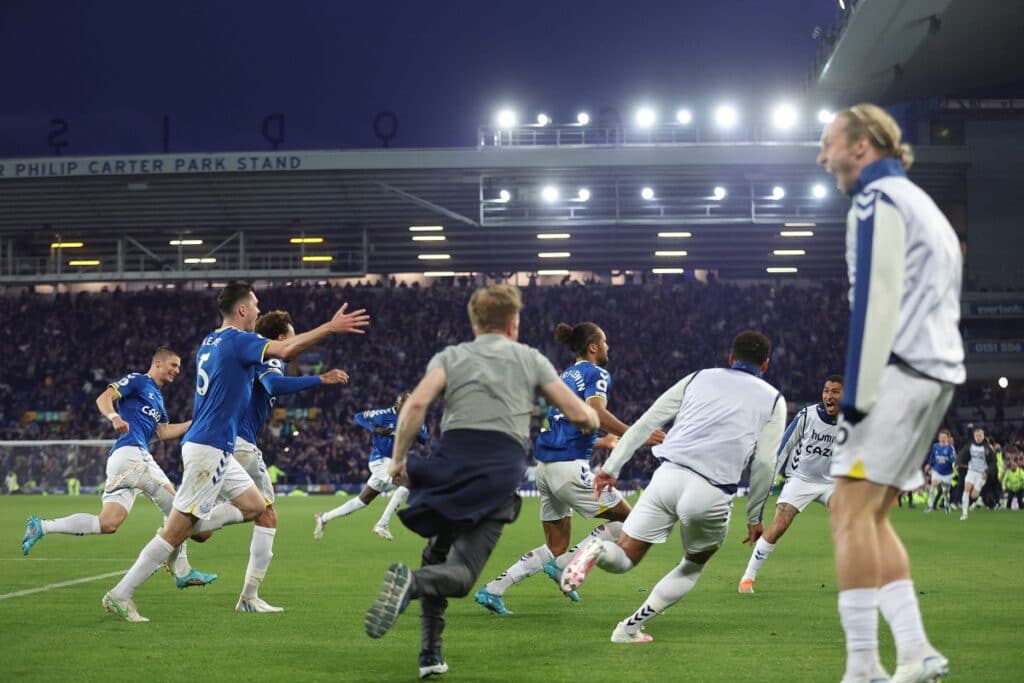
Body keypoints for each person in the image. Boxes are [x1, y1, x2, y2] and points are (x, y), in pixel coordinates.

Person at [362, 283, 599, 679]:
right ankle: (412, 586)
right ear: (513, 323)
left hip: (447, 463)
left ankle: (430, 654)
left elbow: (417, 404)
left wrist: (399, 460)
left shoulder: (451, 356)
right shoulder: (530, 359)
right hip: (498, 470)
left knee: (435, 552)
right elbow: (580, 414)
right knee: (461, 574)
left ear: (474, 322)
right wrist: (591, 421)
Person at [102, 282, 369, 622]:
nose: (258, 311)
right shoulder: (240, 341)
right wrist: (330, 328)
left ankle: (215, 560)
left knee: (259, 508)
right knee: (177, 532)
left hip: (216, 446)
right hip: (209, 448)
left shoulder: (209, 341)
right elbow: (285, 352)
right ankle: (121, 593)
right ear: (242, 309)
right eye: (255, 305)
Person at [818, 103, 964, 682]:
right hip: (937, 370)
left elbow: (876, 303)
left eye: (829, 143)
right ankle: (915, 651)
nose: (822, 155)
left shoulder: (875, 201)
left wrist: (856, 394)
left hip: (896, 371)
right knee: (873, 515)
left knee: (846, 510)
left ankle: (862, 669)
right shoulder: (923, 202)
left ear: (861, 146)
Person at [560, 331, 785, 644]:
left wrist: (610, 469)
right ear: (765, 365)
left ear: (731, 358)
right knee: (691, 567)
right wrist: (755, 513)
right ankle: (628, 629)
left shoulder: (698, 378)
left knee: (625, 557)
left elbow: (646, 422)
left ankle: (595, 549)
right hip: (711, 491)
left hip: (667, 477)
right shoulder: (773, 399)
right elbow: (763, 463)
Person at [475, 321, 664, 615]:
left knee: (556, 545)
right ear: (592, 347)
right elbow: (597, 413)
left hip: (545, 469)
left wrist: (603, 443)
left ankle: (493, 589)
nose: (607, 346)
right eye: (604, 341)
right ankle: (566, 566)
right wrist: (636, 432)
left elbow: (567, 423)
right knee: (631, 520)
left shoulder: (563, 377)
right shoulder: (596, 373)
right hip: (570, 470)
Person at [22, 346, 216, 589]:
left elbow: (163, 432)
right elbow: (103, 398)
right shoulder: (138, 381)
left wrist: (195, 422)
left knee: (108, 523)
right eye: (173, 365)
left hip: (123, 460)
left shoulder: (159, 399)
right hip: (134, 456)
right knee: (183, 514)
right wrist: (114, 417)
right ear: (157, 362)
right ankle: (182, 569)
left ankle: (42, 526)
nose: (177, 370)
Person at [232, 309, 350, 612]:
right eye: (293, 332)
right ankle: (248, 597)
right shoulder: (270, 356)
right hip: (240, 445)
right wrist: (320, 379)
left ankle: (177, 533)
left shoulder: (252, 354)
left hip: (229, 442)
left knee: (208, 526)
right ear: (282, 337)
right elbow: (274, 386)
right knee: (266, 515)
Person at [739, 374, 842, 593]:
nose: (828, 396)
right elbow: (783, 448)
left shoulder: (851, 422)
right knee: (779, 525)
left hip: (832, 483)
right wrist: (768, 483)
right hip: (801, 480)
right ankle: (747, 578)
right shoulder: (808, 415)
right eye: (826, 390)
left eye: (835, 391)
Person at [313, 392, 429, 542]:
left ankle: (324, 517)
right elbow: (359, 416)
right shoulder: (383, 415)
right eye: (404, 404)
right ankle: (382, 524)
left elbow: (424, 439)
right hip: (380, 461)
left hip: (395, 462)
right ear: (397, 404)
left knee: (362, 501)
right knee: (407, 485)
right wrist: (374, 429)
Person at [956, 427, 997, 520]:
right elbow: (961, 454)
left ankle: (980, 499)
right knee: (966, 490)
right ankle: (964, 514)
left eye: (980, 435)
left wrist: (987, 472)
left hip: (982, 474)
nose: (978, 437)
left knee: (973, 495)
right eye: (976, 435)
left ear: (983, 436)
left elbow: (994, 462)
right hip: (971, 471)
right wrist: (958, 463)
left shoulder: (988, 448)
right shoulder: (970, 445)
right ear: (974, 436)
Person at [924, 430, 956, 513]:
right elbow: (932, 457)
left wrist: (947, 461)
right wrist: (929, 465)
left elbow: (953, 459)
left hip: (947, 473)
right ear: (938, 438)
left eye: (944, 437)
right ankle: (929, 505)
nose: (942, 439)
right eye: (941, 437)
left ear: (948, 438)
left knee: (945, 492)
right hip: (937, 471)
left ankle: (946, 504)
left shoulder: (950, 448)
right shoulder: (935, 446)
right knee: (933, 486)